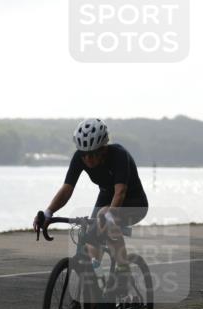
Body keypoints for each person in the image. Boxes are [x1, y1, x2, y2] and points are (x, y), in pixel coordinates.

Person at [33, 118, 148, 284]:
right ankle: (96, 290)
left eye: (93, 154)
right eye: (84, 154)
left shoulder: (119, 155)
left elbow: (120, 192)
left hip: (134, 203)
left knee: (105, 219)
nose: (88, 159)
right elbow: (66, 189)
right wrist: (48, 213)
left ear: (103, 149)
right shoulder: (80, 157)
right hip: (107, 197)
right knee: (90, 244)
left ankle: (123, 271)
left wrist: (109, 218)